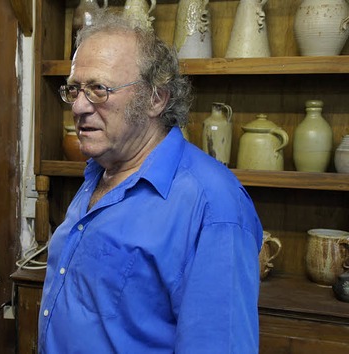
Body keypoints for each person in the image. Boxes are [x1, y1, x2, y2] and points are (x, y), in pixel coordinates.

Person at [38, 11, 263, 353]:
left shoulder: (213, 205)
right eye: (75, 89)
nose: (79, 106)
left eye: (99, 89)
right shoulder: (100, 170)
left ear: (157, 98)